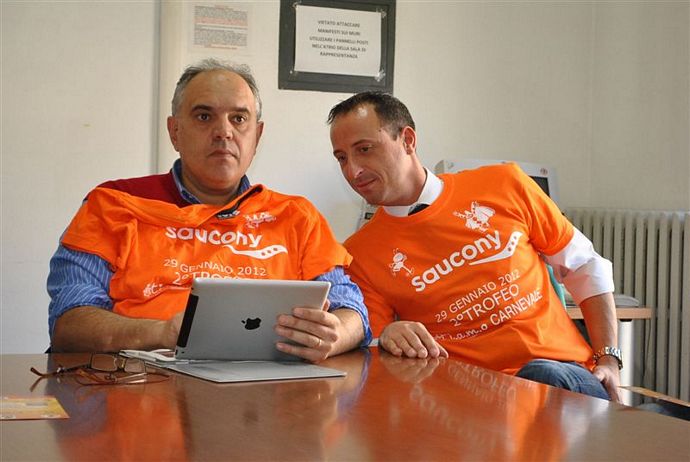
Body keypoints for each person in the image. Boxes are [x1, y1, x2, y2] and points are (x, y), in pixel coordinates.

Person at [47, 58, 371, 362]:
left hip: (270, 391)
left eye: (239, 119)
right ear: (175, 132)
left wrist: (334, 335)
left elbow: (352, 310)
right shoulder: (114, 204)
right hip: (140, 384)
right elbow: (69, 323)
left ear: (257, 136)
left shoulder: (296, 216)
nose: (224, 132)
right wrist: (161, 333)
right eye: (204, 116)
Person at [327, 91, 621, 401]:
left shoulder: (505, 184)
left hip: (563, 377)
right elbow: (372, 344)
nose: (353, 171)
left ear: (408, 140)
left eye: (365, 150)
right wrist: (388, 337)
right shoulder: (360, 253)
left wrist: (609, 359)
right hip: (472, 400)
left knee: (543, 376)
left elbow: (584, 265)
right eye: (342, 158)